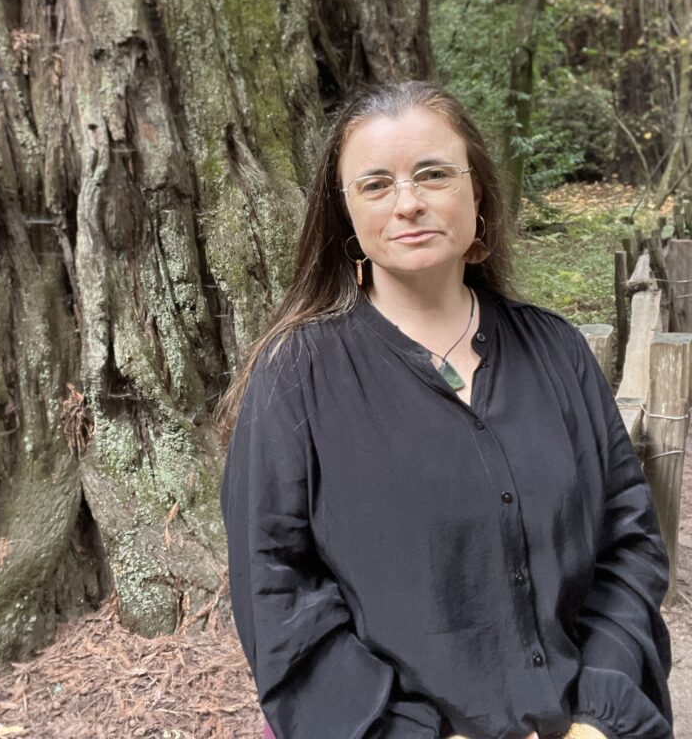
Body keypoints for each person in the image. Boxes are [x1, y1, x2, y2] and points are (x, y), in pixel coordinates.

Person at [220, 81, 673, 739]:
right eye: (376, 185)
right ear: (345, 212)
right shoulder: (294, 378)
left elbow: (628, 540)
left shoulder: (558, 351)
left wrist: (598, 712)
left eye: (432, 173)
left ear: (477, 192)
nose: (408, 203)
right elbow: (274, 593)